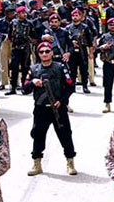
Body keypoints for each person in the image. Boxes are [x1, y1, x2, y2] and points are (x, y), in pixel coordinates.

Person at [22, 42, 78, 176]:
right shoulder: (34, 69)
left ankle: (70, 162)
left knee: (65, 135)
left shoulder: (60, 67)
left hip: (58, 108)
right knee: (38, 135)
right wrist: (32, 83)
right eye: (41, 52)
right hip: (41, 109)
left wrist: (61, 101)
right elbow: (24, 88)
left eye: (47, 51)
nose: (44, 54)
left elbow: (70, 86)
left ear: (52, 53)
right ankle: (37, 163)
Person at [5, 6, 35, 95]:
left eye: (25, 12)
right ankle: (13, 87)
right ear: (17, 14)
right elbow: (10, 35)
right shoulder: (13, 23)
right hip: (15, 48)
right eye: (22, 13)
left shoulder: (29, 23)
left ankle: (24, 87)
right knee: (14, 68)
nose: (24, 14)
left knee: (25, 68)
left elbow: (33, 35)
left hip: (25, 48)